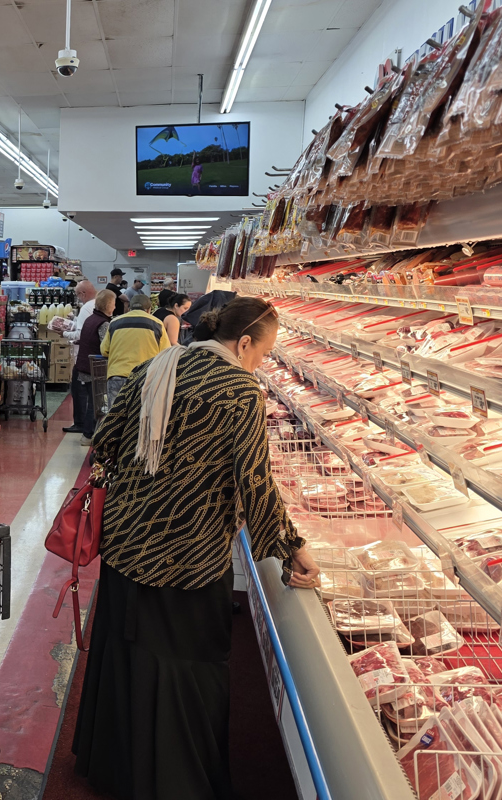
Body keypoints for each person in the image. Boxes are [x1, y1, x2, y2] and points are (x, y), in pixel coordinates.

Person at [74, 296, 320, 800]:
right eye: (263, 353)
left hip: (127, 542)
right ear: (244, 342)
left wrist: (154, 475)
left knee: (127, 653)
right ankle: (176, 780)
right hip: (189, 553)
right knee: (185, 666)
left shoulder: (156, 366)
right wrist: (291, 545)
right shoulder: (239, 390)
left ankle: (117, 767)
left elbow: (105, 438)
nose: (262, 363)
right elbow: (253, 482)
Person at [100, 293, 168, 408]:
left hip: (117, 375)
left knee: (114, 418)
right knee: (140, 417)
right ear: (148, 310)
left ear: (129, 308)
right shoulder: (157, 324)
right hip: (145, 378)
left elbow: (104, 351)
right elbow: (165, 353)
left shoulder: (114, 323)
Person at [74, 290, 116, 444]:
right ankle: (88, 434)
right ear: (108, 305)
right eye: (113, 303)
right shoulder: (103, 323)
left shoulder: (91, 319)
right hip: (95, 368)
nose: (115, 306)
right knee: (95, 403)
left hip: (84, 366)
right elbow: (106, 347)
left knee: (92, 401)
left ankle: (89, 433)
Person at [62, 280, 97, 434]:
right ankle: (86, 425)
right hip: (94, 356)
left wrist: (63, 332)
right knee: (90, 393)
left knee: (79, 391)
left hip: (82, 356)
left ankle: (82, 424)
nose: (78, 298)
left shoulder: (87, 308)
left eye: (77, 295)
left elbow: (80, 334)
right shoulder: (96, 305)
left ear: (83, 293)